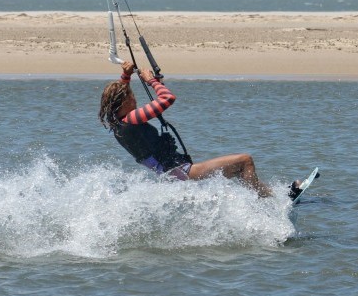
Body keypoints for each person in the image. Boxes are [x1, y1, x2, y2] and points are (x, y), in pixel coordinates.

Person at [99, 61, 293, 198]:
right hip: (181, 172)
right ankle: (265, 201)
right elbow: (167, 99)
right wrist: (152, 81)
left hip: (171, 174)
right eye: (131, 97)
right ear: (123, 102)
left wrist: (126, 75)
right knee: (245, 161)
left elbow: (121, 94)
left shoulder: (119, 123)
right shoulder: (132, 119)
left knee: (238, 170)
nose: (135, 99)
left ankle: (277, 196)